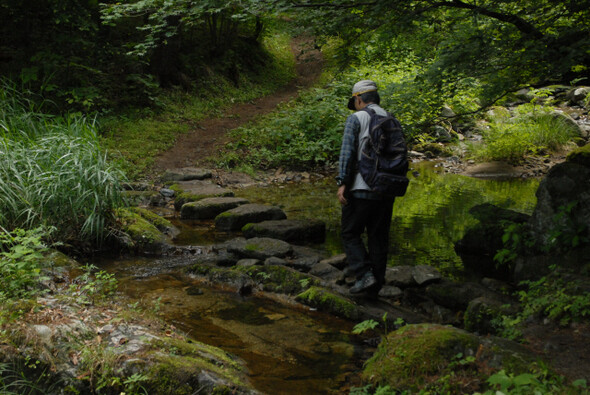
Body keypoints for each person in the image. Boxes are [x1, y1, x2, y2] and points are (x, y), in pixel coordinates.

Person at [336, 80, 397, 295]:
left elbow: (347, 153)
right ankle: (375, 286)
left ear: (358, 99)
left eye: (355, 101)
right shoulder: (391, 119)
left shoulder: (356, 118)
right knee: (378, 237)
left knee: (350, 233)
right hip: (386, 189)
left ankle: (363, 275)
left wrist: (342, 182)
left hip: (361, 187)